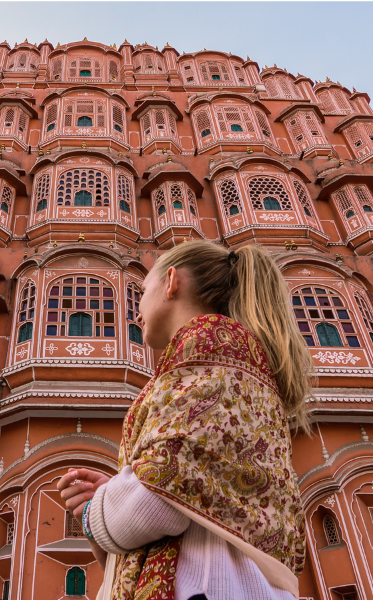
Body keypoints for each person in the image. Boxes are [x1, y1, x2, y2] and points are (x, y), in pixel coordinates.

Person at [56, 241, 311, 600]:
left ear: (172, 281)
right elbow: (183, 477)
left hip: (208, 586)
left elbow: (159, 499)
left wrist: (93, 513)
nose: (136, 312)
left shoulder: (211, 351)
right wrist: (116, 490)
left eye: (141, 292)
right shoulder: (233, 357)